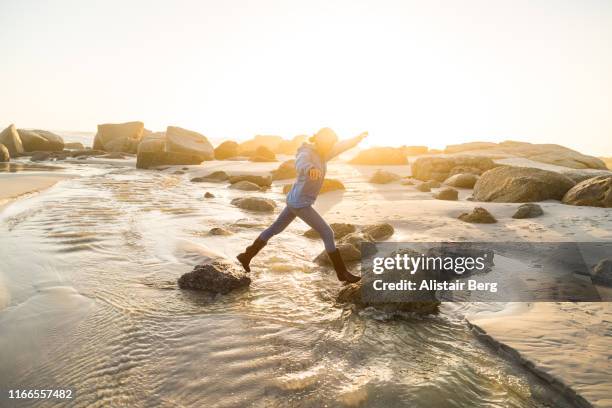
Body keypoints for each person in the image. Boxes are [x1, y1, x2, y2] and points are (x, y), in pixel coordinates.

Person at [237, 128, 368, 283]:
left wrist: (357, 139)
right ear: (318, 139)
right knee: (327, 233)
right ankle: (342, 273)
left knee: (274, 229)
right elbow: (301, 163)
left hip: (295, 201)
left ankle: (246, 256)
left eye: (331, 142)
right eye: (327, 141)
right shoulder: (306, 151)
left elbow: (341, 147)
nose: (330, 145)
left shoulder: (323, 153)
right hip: (300, 204)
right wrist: (310, 169)